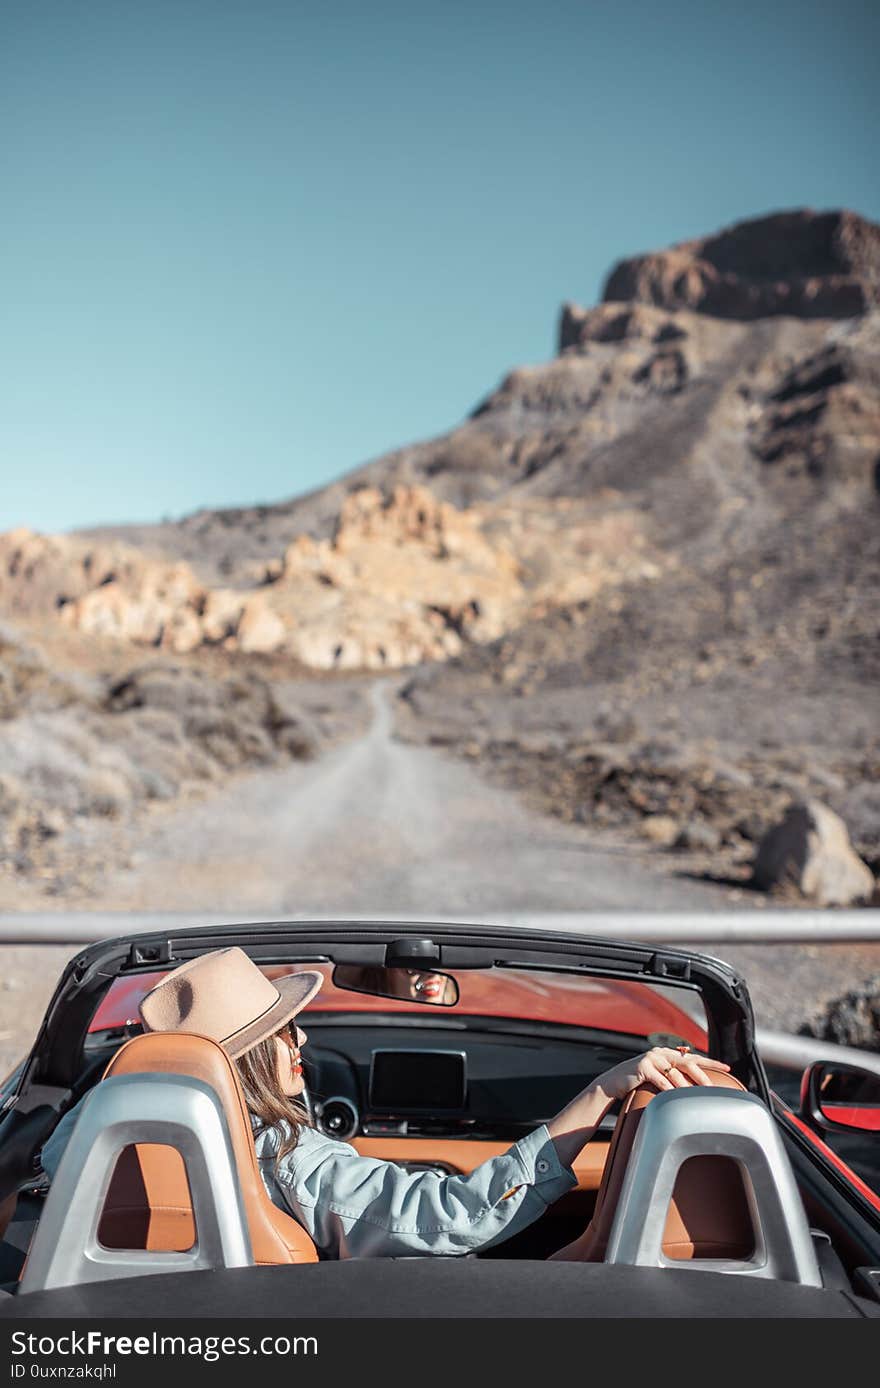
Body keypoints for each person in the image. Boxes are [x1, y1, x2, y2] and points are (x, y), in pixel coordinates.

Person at [40, 947, 731, 1260]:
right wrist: (603, 1092)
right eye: (284, 1031)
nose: (302, 1035)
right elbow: (453, 1220)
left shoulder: (80, 1139)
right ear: (246, 1058)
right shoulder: (289, 1160)